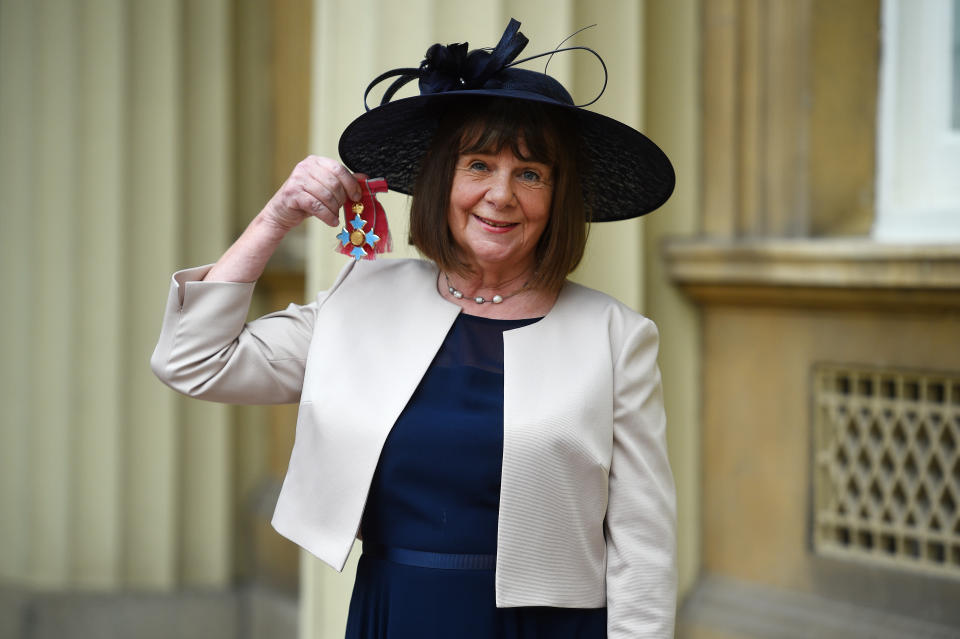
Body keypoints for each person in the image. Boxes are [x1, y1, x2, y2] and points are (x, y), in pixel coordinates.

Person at [152, 19, 676, 639]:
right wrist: (276, 217)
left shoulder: (616, 337)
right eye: (478, 164)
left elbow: (643, 544)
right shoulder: (361, 302)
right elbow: (192, 360)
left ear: (558, 198)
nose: (501, 195)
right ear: (442, 181)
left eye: (531, 174)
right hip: (398, 615)